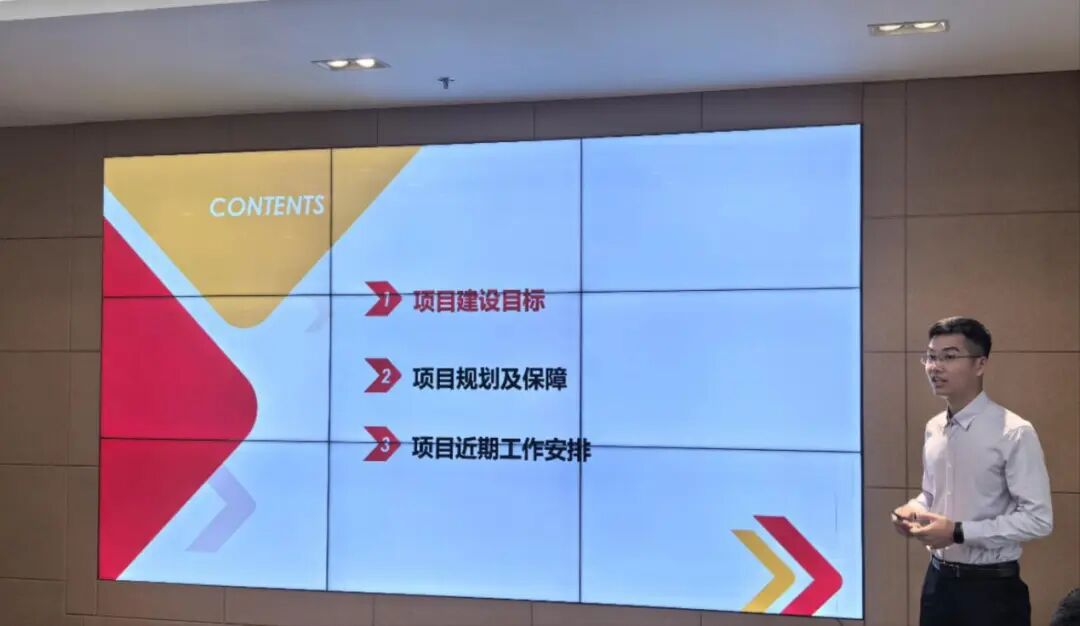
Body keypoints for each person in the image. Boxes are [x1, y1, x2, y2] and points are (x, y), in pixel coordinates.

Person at [892, 316, 1053, 626]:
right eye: (931, 357)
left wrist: (957, 532)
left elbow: (1038, 519)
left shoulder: (1014, 432)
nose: (935, 367)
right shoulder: (934, 427)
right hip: (938, 583)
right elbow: (931, 494)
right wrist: (912, 510)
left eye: (949, 357)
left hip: (992, 590)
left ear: (980, 364)